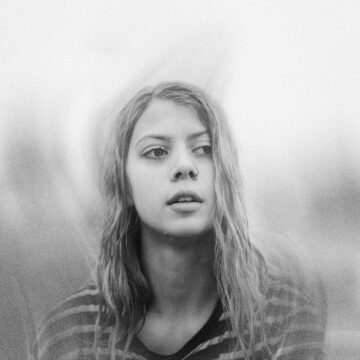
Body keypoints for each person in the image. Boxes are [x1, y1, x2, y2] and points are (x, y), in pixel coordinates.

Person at [34, 82, 326, 360]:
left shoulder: (282, 318)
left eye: (203, 149)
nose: (185, 166)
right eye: (157, 152)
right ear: (124, 184)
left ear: (224, 176)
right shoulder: (70, 331)